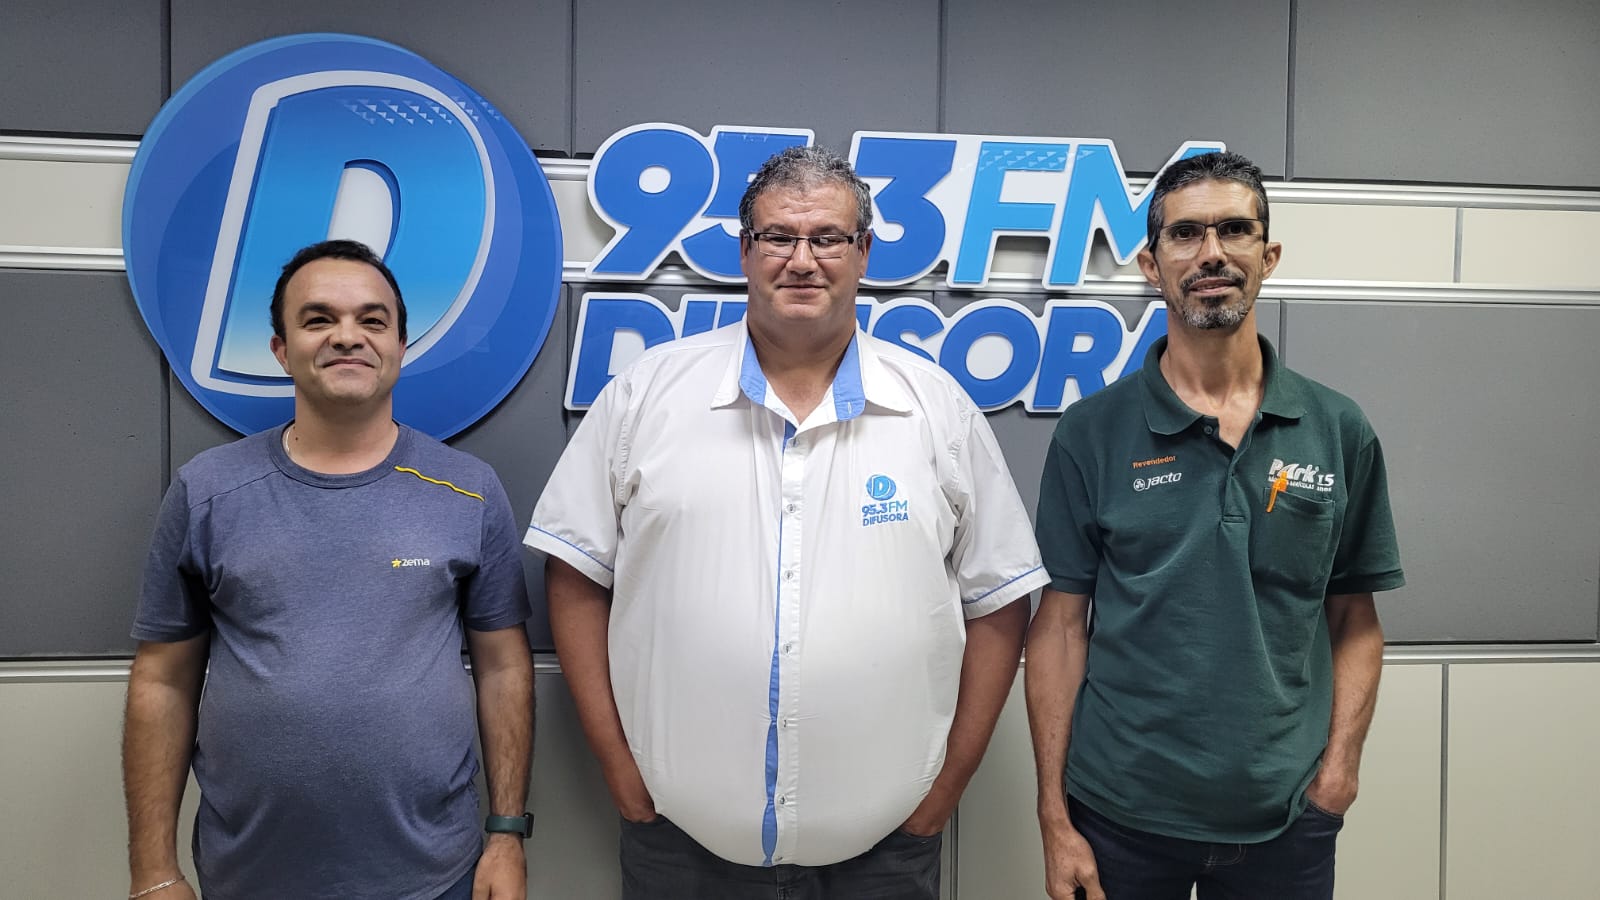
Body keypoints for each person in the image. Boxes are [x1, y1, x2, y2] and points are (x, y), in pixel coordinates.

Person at [526, 144, 1049, 899]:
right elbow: (575, 574)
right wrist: (617, 766)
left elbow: (999, 598)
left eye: (828, 238)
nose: (802, 261)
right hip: (679, 844)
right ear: (745, 251)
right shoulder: (646, 396)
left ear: (863, 252)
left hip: (885, 853)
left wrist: (944, 792)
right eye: (778, 236)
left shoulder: (936, 408)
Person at [1026, 151, 1405, 900]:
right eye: (1186, 233)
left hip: (1286, 821)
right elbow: (1060, 628)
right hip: (1118, 816)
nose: (1211, 254)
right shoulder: (1091, 432)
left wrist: (1338, 775)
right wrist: (1053, 817)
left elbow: (1355, 619)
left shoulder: (1337, 428)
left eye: (1234, 230)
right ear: (1150, 264)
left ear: (1269, 255)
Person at [122, 240, 535, 900]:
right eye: (318, 319)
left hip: (434, 875)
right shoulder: (207, 491)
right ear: (281, 350)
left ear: (400, 345)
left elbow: (504, 668)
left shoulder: (469, 490)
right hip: (249, 876)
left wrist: (507, 833)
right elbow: (162, 681)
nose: (348, 336)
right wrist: (153, 870)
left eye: (372, 320)